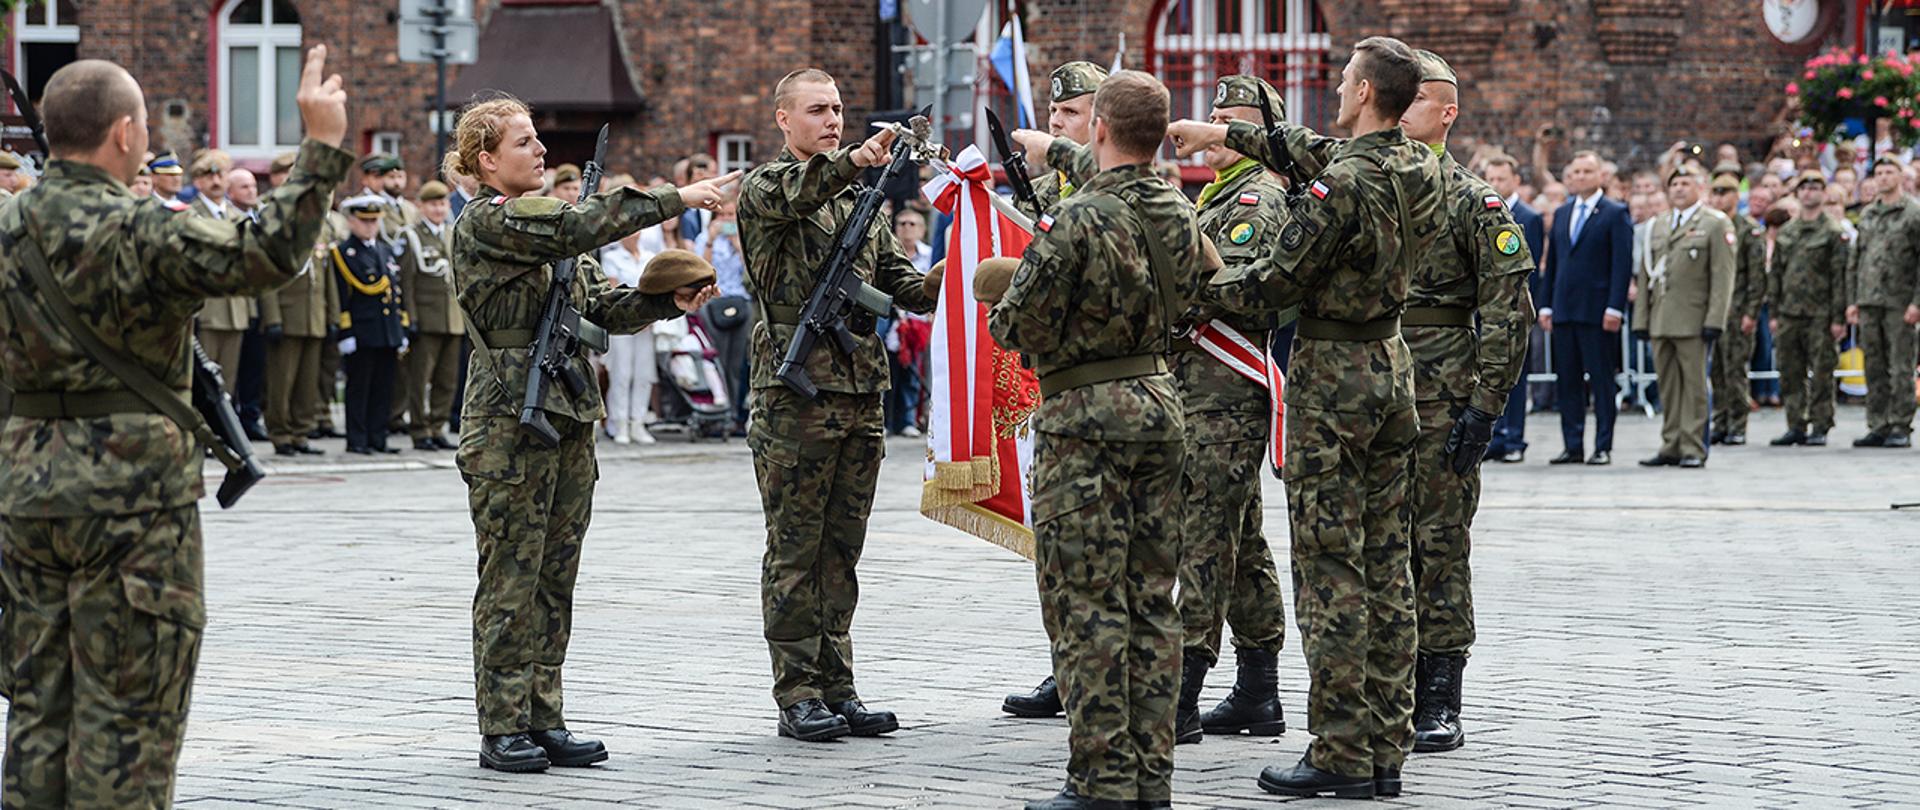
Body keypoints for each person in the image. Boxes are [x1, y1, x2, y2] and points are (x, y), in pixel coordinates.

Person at [0, 49, 351, 807]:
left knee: (37, 709)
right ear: (125, 134)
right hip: (132, 502)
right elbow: (267, 254)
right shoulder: (140, 229)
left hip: (26, 491)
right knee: (128, 717)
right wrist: (321, 145)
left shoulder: (6, 226)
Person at [1168, 33, 1438, 799]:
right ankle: (1385, 744)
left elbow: (1270, 285)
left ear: (1364, 92)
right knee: (1387, 565)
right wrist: (1222, 133)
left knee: (1330, 572)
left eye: (1347, 79)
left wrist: (1183, 286)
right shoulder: (1417, 165)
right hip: (1390, 369)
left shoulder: (1340, 185)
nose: (1339, 89)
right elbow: (1308, 148)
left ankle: (1341, 751)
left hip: (1335, 383)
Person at [442, 95, 734, 773]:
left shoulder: (553, 238)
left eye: (537, 139)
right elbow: (579, 222)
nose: (541, 150)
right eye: (523, 142)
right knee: (511, 577)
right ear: (487, 160)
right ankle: (503, 725)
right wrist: (675, 198)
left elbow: (604, 307)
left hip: (567, 414)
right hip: (509, 420)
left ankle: (544, 716)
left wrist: (665, 301)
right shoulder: (490, 221)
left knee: (555, 576)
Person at [989, 69, 1194, 810]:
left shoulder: (1076, 218)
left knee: (1087, 602)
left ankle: (1102, 778)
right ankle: (1151, 777)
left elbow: (1017, 323)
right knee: (1152, 601)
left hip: (1085, 417)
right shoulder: (1178, 209)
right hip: (1160, 404)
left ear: (1100, 128)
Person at [737, 68, 934, 744]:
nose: (832, 120)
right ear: (783, 118)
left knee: (841, 549)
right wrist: (854, 161)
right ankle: (798, 692)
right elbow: (803, 188)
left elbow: (900, 283)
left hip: (858, 390)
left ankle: (837, 684)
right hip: (796, 396)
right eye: (817, 110)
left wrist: (956, 271)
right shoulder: (768, 187)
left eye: (838, 109)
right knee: (796, 548)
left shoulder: (860, 200)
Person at [1161, 74, 1295, 748]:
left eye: (1231, 119)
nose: (1214, 127)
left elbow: (1230, 291)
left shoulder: (1256, 198)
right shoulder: (1216, 194)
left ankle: (1182, 691)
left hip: (1225, 393)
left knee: (1205, 536)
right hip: (1200, 388)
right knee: (1239, 539)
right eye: (1213, 114)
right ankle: (1258, 689)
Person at [998, 57, 1109, 723]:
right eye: (1054, 111)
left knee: (1104, 544)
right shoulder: (1050, 189)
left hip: (1105, 390)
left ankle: (1104, 671)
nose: (1057, 122)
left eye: (1071, 113)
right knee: (1057, 538)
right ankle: (1065, 663)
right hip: (1052, 383)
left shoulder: (1118, 184)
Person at [1633, 166, 1734, 468]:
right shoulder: (1658, 225)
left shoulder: (1714, 223)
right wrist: (1641, 319)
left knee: (1694, 387)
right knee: (1668, 386)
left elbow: (1722, 276)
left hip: (1694, 318)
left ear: (1700, 188)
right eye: (1674, 183)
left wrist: (1715, 319)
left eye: (1685, 183)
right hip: (1661, 318)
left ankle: (1693, 446)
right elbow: (1645, 276)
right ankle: (1671, 443)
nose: (1678, 188)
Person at [1540, 151, 1634, 465]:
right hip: (1565, 309)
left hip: (1597, 311)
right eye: (1576, 172)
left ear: (1600, 176)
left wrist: (1615, 307)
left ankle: (1603, 445)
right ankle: (1573, 445)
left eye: (1586, 171)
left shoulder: (1614, 212)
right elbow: (1553, 263)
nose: (1580, 177)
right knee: (1567, 381)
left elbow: (1621, 264)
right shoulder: (1563, 213)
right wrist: (1546, 305)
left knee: (1601, 380)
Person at [1768, 171, 1849, 447]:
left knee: (1822, 372)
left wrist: (1838, 317)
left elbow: (1839, 277)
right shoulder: (1787, 231)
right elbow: (1776, 274)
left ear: (1824, 194)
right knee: (1790, 371)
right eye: (1804, 188)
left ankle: (1821, 424)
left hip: (1821, 313)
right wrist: (1775, 312)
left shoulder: (1833, 232)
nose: (1808, 193)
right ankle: (1795, 423)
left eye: (1815, 188)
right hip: (1790, 311)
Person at [1846, 157, 1920, 448]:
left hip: (1899, 300)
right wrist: (1852, 300)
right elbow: (1857, 258)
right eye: (1879, 173)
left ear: (1901, 176)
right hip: (1869, 299)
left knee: (1901, 365)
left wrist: (1917, 302)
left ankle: (1901, 424)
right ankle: (1878, 423)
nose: (1884, 177)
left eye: (1889, 172)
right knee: (1873, 365)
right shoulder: (1868, 214)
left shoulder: (1913, 213)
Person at [332, 194, 408, 455]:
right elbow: (341, 296)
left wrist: (400, 327)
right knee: (359, 387)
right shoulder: (344, 253)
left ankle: (378, 437)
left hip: (386, 330)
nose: (370, 226)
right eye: (365, 221)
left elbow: (396, 291)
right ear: (351, 221)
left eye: (374, 221)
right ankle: (357, 439)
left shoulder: (384, 250)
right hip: (362, 331)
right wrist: (345, 332)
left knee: (383, 387)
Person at [1482, 153, 1545, 462]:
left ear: (1516, 180)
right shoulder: (1481, 212)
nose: (1495, 184)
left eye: (1501, 179)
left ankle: (1515, 438)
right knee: (1487, 375)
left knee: (1515, 377)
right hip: (1485, 307)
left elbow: (1531, 268)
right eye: (1490, 179)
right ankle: (1493, 437)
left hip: (1514, 308)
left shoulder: (1529, 217)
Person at [400, 179, 464, 451]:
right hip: (426, 319)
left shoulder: (452, 233)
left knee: (447, 379)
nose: (438, 209)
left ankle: (438, 426)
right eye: (433, 204)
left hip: (453, 319)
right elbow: (407, 282)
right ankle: (419, 429)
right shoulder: (411, 236)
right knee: (420, 378)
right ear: (421, 206)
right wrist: (410, 318)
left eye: (442, 204)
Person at [1708, 173, 1767, 446]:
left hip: (1738, 307)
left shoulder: (1748, 229)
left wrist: (1751, 312)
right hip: (1715, 310)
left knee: (1735, 370)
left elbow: (1757, 276)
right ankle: (1720, 420)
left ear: (1736, 196)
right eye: (1716, 192)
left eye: (1725, 192)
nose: (1719, 198)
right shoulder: (1711, 226)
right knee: (1717, 370)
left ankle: (1738, 423)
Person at [598, 201, 663, 445]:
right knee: (621, 373)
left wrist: (649, 315)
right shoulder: (612, 257)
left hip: (647, 323)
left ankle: (638, 422)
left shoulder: (650, 257)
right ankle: (620, 423)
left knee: (644, 373)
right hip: (622, 324)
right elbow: (614, 289)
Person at [694, 197, 752, 435]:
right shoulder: (704, 239)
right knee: (717, 359)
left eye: (731, 215)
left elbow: (751, 273)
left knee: (737, 363)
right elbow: (700, 271)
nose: (727, 220)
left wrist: (738, 245)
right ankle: (718, 416)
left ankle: (736, 415)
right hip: (714, 302)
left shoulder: (743, 238)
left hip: (741, 302)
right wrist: (710, 240)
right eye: (722, 215)